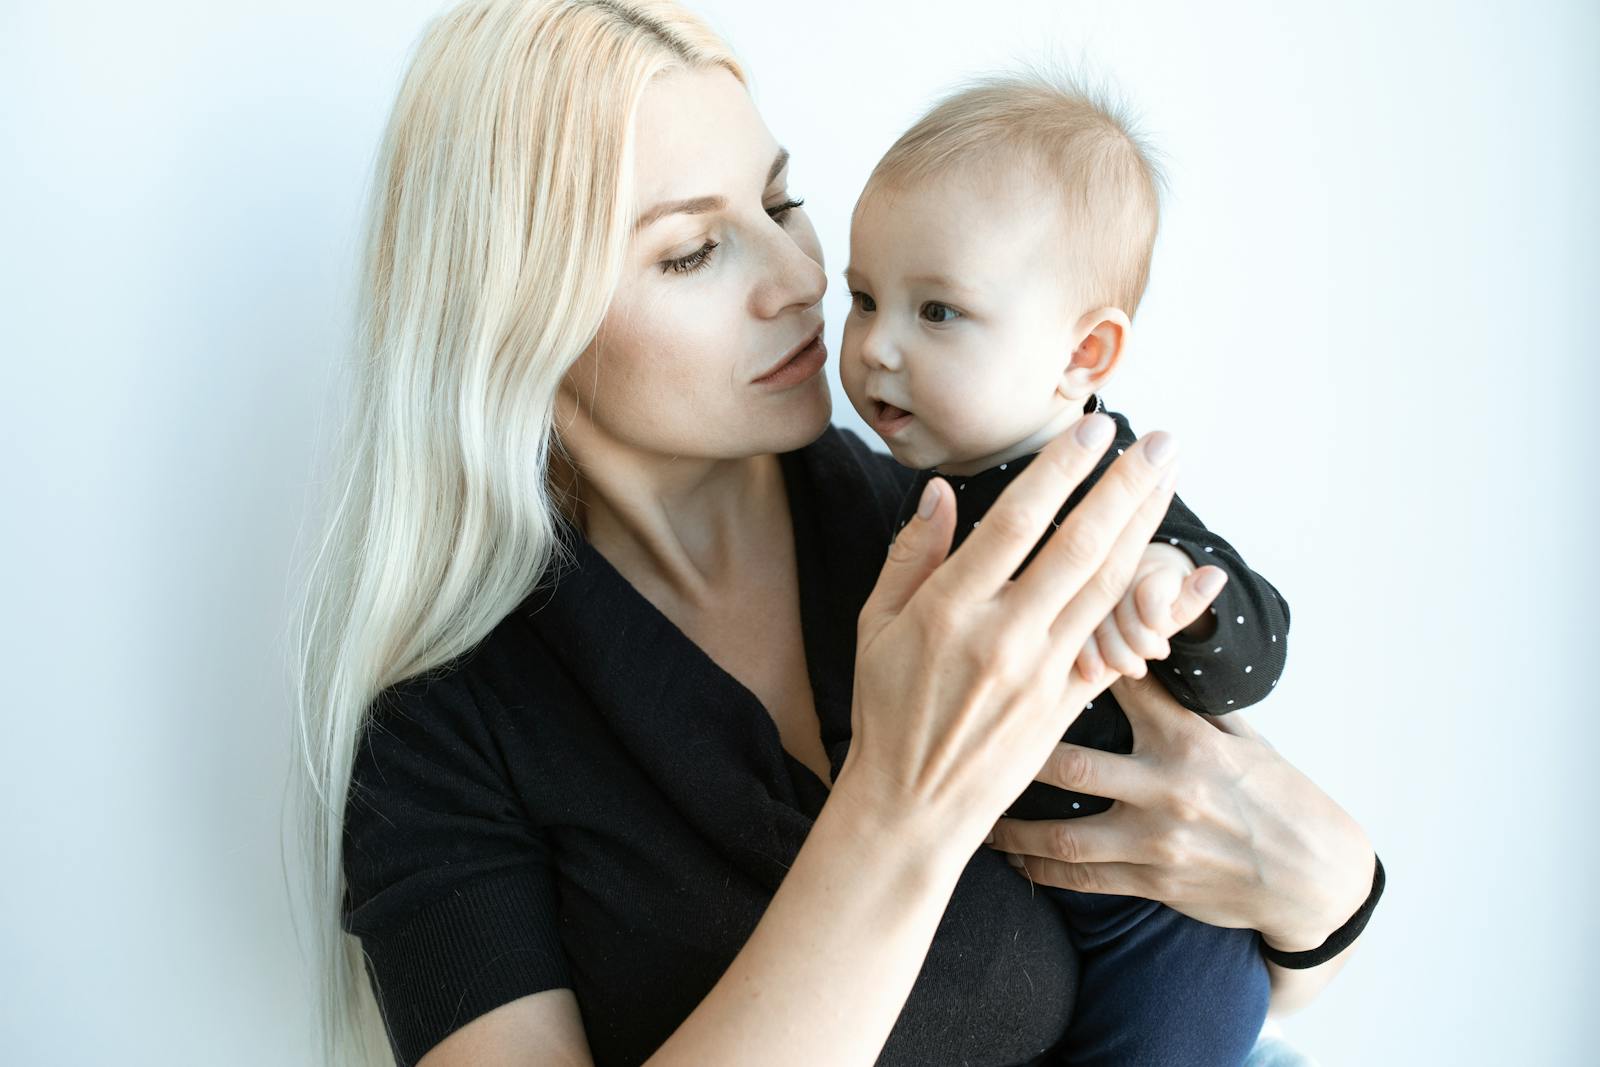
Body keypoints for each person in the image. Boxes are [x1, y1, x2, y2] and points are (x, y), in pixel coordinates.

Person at [290, 2, 1380, 1065]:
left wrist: (1329, 891)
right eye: (691, 253)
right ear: (514, 318)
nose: (804, 279)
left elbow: (1230, 936)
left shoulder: (957, 511)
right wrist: (897, 806)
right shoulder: (438, 747)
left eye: (783, 200)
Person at [836, 69, 1302, 1063]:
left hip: (1160, 921)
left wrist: (1177, 594)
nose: (875, 347)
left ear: (1082, 355)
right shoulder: (892, 497)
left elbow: (1261, 649)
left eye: (937, 312)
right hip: (1012, 897)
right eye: (863, 297)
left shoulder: (1107, 490)